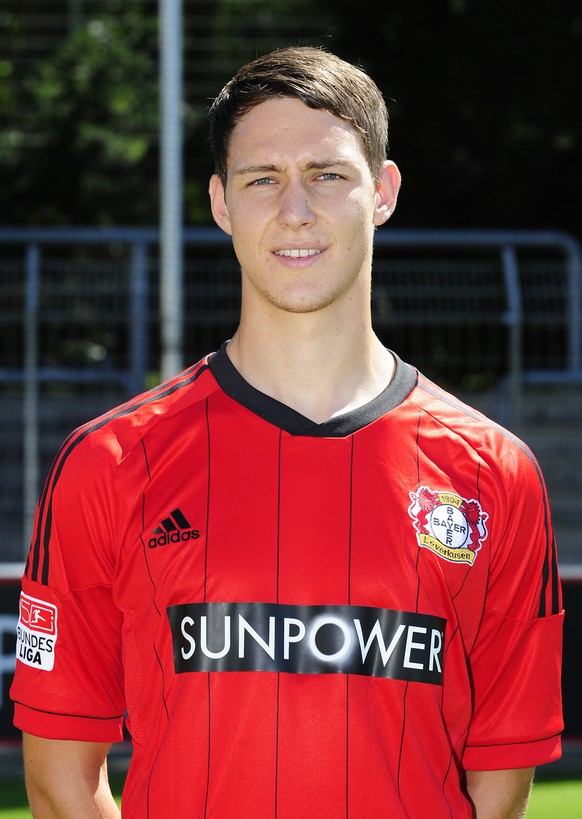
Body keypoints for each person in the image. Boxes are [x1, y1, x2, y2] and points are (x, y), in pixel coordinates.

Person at [11, 46, 563, 818]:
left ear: (384, 191)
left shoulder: (494, 473)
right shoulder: (109, 461)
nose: (294, 209)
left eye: (328, 174)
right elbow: (60, 783)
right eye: (262, 179)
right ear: (220, 202)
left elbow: (498, 783)